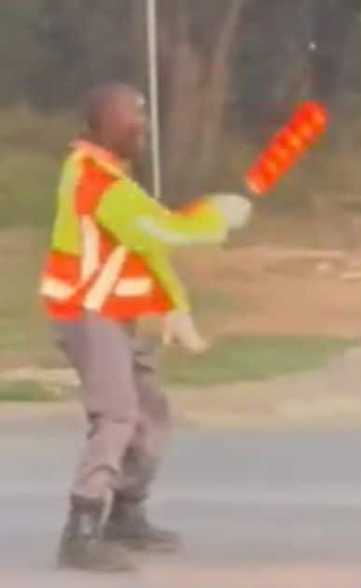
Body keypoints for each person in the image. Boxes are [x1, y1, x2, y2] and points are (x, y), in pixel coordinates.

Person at [42, 82, 252, 571]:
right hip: (86, 311)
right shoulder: (93, 178)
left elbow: (147, 246)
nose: (143, 124)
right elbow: (162, 230)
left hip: (113, 313)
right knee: (116, 414)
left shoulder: (112, 174)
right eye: (132, 115)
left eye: (143, 114)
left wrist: (177, 308)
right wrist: (214, 218)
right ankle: (81, 530)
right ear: (102, 123)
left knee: (151, 412)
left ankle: (126, 513)